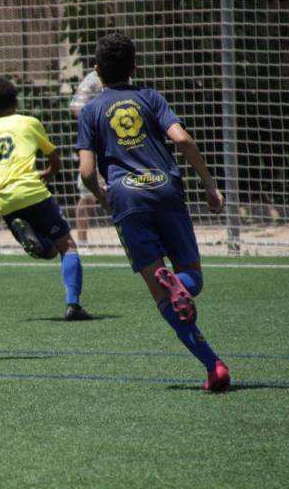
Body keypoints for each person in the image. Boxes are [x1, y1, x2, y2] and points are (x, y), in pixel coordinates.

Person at [76, 33, 230, 391]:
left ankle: (214, 366)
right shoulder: (150, 97)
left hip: (127, 201)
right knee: (193, 279)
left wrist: (104, 197)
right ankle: (183, 289)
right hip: (166, 190)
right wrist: (209, 184)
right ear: (134, 66)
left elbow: (86, 172)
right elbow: (183, 139)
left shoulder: (92, 111)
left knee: (163, 295)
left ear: (97, 71)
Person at [0, 77, 92, 321]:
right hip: (32, 191)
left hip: (4, 202)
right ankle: (74, 305)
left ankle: (32, 234)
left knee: (48, 251)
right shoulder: (30, 123)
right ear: (16, 102)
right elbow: (54, 158)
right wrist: (50, 172)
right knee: (67, 247)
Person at [69, 70, 105, 243]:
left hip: (122, 142)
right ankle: (82, 240)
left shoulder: (125, 77)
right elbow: (76, 108)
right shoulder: (92, 80)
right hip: (96, 145)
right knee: (87, 193)